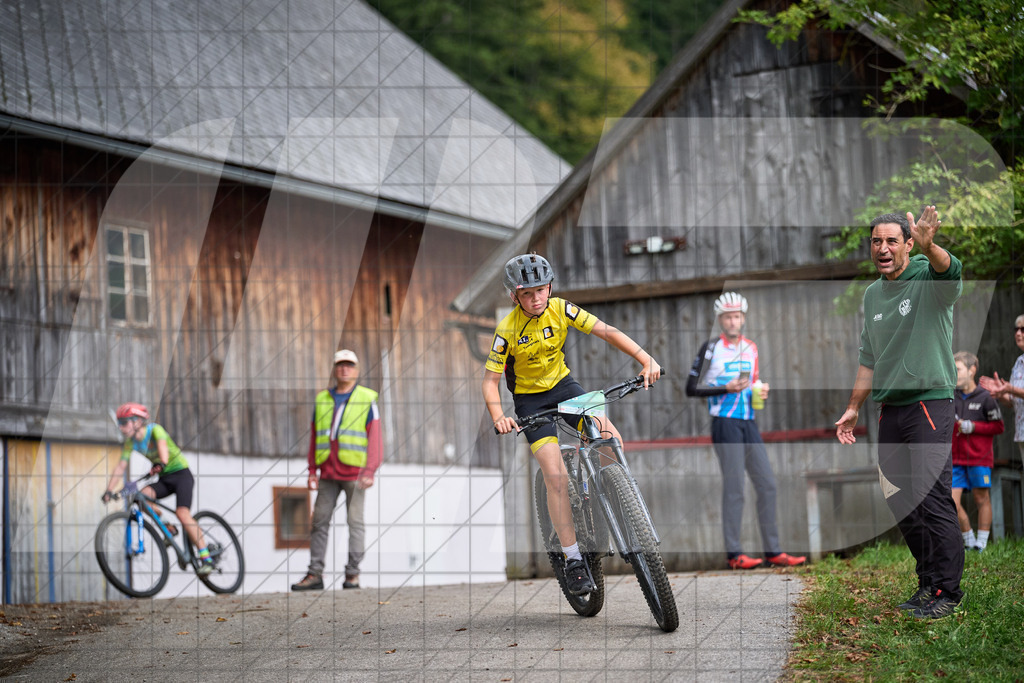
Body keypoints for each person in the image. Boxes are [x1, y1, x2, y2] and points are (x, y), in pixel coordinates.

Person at [483, 253, 661, 596]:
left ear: (549, 287)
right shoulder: (506, 330)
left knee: (609, 436)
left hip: (565, 387)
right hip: (531, 400)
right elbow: (490, 382)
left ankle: (616, 494)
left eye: (541, 290)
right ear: (514, 296)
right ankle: (574, 558)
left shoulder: (561, 309)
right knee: (555, 476)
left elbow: (606, 331)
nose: (536, 299)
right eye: (527, 294)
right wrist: (498, 416)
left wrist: (645, 359)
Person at [834, 206, 964, 619]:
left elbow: (951, 273)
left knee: (932, 497)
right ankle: (928, 581)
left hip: (929, 401)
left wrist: (932, 246)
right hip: (889, 409)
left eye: (892, 240)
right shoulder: (873, 294)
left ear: (909, 243)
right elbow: (869, 359)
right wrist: (853, 407)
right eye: (877, 241)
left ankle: (948, 591)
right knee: (900, 500)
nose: (883, 248)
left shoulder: (928, 278)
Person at [685, 292, 806, 570]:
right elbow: (691, 388)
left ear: (743, 318)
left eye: (737, 316)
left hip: (749, 421)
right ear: (720, 319)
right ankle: (734, 554)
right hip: (724, 423)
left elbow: (753, 382)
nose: (732, 321)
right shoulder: (711, 348)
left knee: (767, 484)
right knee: (735, 488)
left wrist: (761, 389)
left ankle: (773, 551)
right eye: (727, 316)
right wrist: (725, 388)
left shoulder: (751, 347)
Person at [291, 349, 381, 591]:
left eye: (349, 365)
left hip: (356, 474)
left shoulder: (366, 398)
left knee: (355, 523)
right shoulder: (322, 399)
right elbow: (314, 436)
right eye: (340, 365)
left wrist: (370, 470)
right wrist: (312, 470)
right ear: (334, 369)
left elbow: (375, 437)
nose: (344, 369)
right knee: (319, 522)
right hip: (328, 474)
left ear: (357, 370)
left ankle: (352, 575)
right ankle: (315, 575)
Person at [102, 403, 214, 575]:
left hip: (181, 475)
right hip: (163, 478)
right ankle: (168, 527)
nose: (121, 427)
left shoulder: (155, 430)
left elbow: (163, 452)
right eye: (120, 423)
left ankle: (206, 558)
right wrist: (109, 491)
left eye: (124, 422)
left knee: (182, 513)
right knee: (140, 497)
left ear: (137, 422)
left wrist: (161, 462)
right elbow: (120, 467)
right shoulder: (130, 443)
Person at [951, 351, 1004, 551]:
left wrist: (974, 427)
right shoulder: (950, 396)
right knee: (950, 502)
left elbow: (999, 427)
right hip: (955, 460)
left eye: (957, 369)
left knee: (981, 498)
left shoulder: (985, 397)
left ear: (972, 370)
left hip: (979, 459)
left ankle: (981, 544)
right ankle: (969, 539)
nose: (953, 373)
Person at [979, 314, 1024, 461]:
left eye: (1023, 329)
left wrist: (1011, 389)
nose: (1018, 333)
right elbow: (1013, 402)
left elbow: (1014, 390)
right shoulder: (1019, 363)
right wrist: (1001, 393)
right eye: (1016, 329)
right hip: (1021, 433)